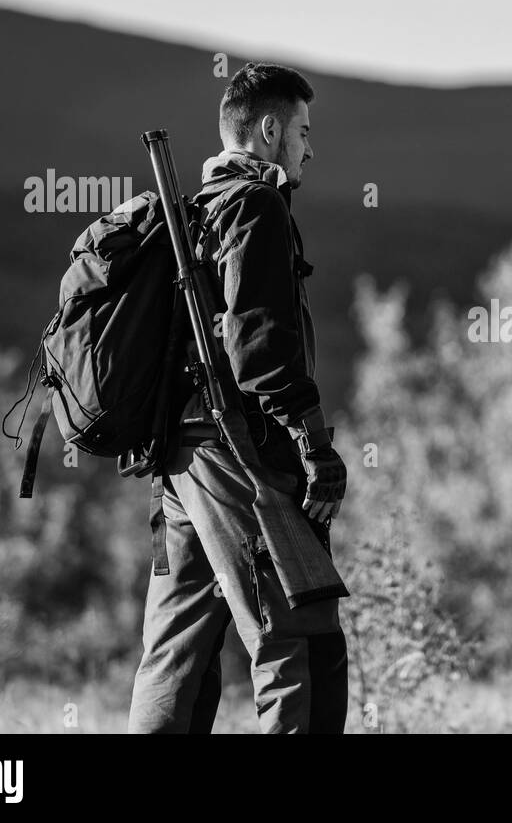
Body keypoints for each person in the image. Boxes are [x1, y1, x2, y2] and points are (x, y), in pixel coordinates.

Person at [129, 62, 350, 734]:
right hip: (241, 455)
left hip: (181, 463)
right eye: (304, 132)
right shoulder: (254, 205)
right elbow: (259, 352)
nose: (310, 148)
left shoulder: (191, 209)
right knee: (300, 641)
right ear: (270, 129)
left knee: (176, 653)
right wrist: (315, 447)